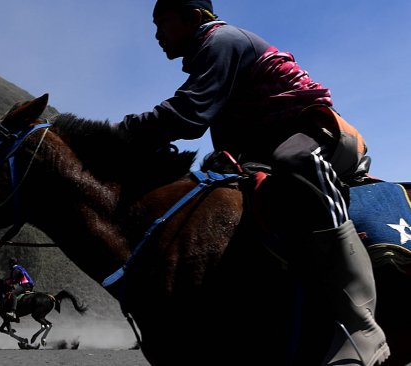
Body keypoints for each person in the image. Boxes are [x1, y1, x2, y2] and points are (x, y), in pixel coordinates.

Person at [115, 1, 389, 365]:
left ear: (194, 17)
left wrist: (117, 133)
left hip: (318, 132)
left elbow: (188, 114)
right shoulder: (206, 52)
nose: (157, 35)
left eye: (162, 23)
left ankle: (363, 325)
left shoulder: (221, 41)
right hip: (267, 147)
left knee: (295, 160)